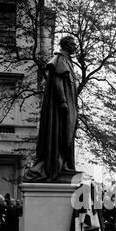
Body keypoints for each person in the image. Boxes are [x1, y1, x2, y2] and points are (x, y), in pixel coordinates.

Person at [25, 35, 78, 181]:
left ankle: (64, 164)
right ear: (66, 45)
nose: (75, 47)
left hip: (69, 105)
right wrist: (62, 101)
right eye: (73, 44)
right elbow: (57, 81)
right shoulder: (60, 59)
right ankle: (58, 165)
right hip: (63, 106)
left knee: (67, 135)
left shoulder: (68, 61)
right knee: (62, 135)